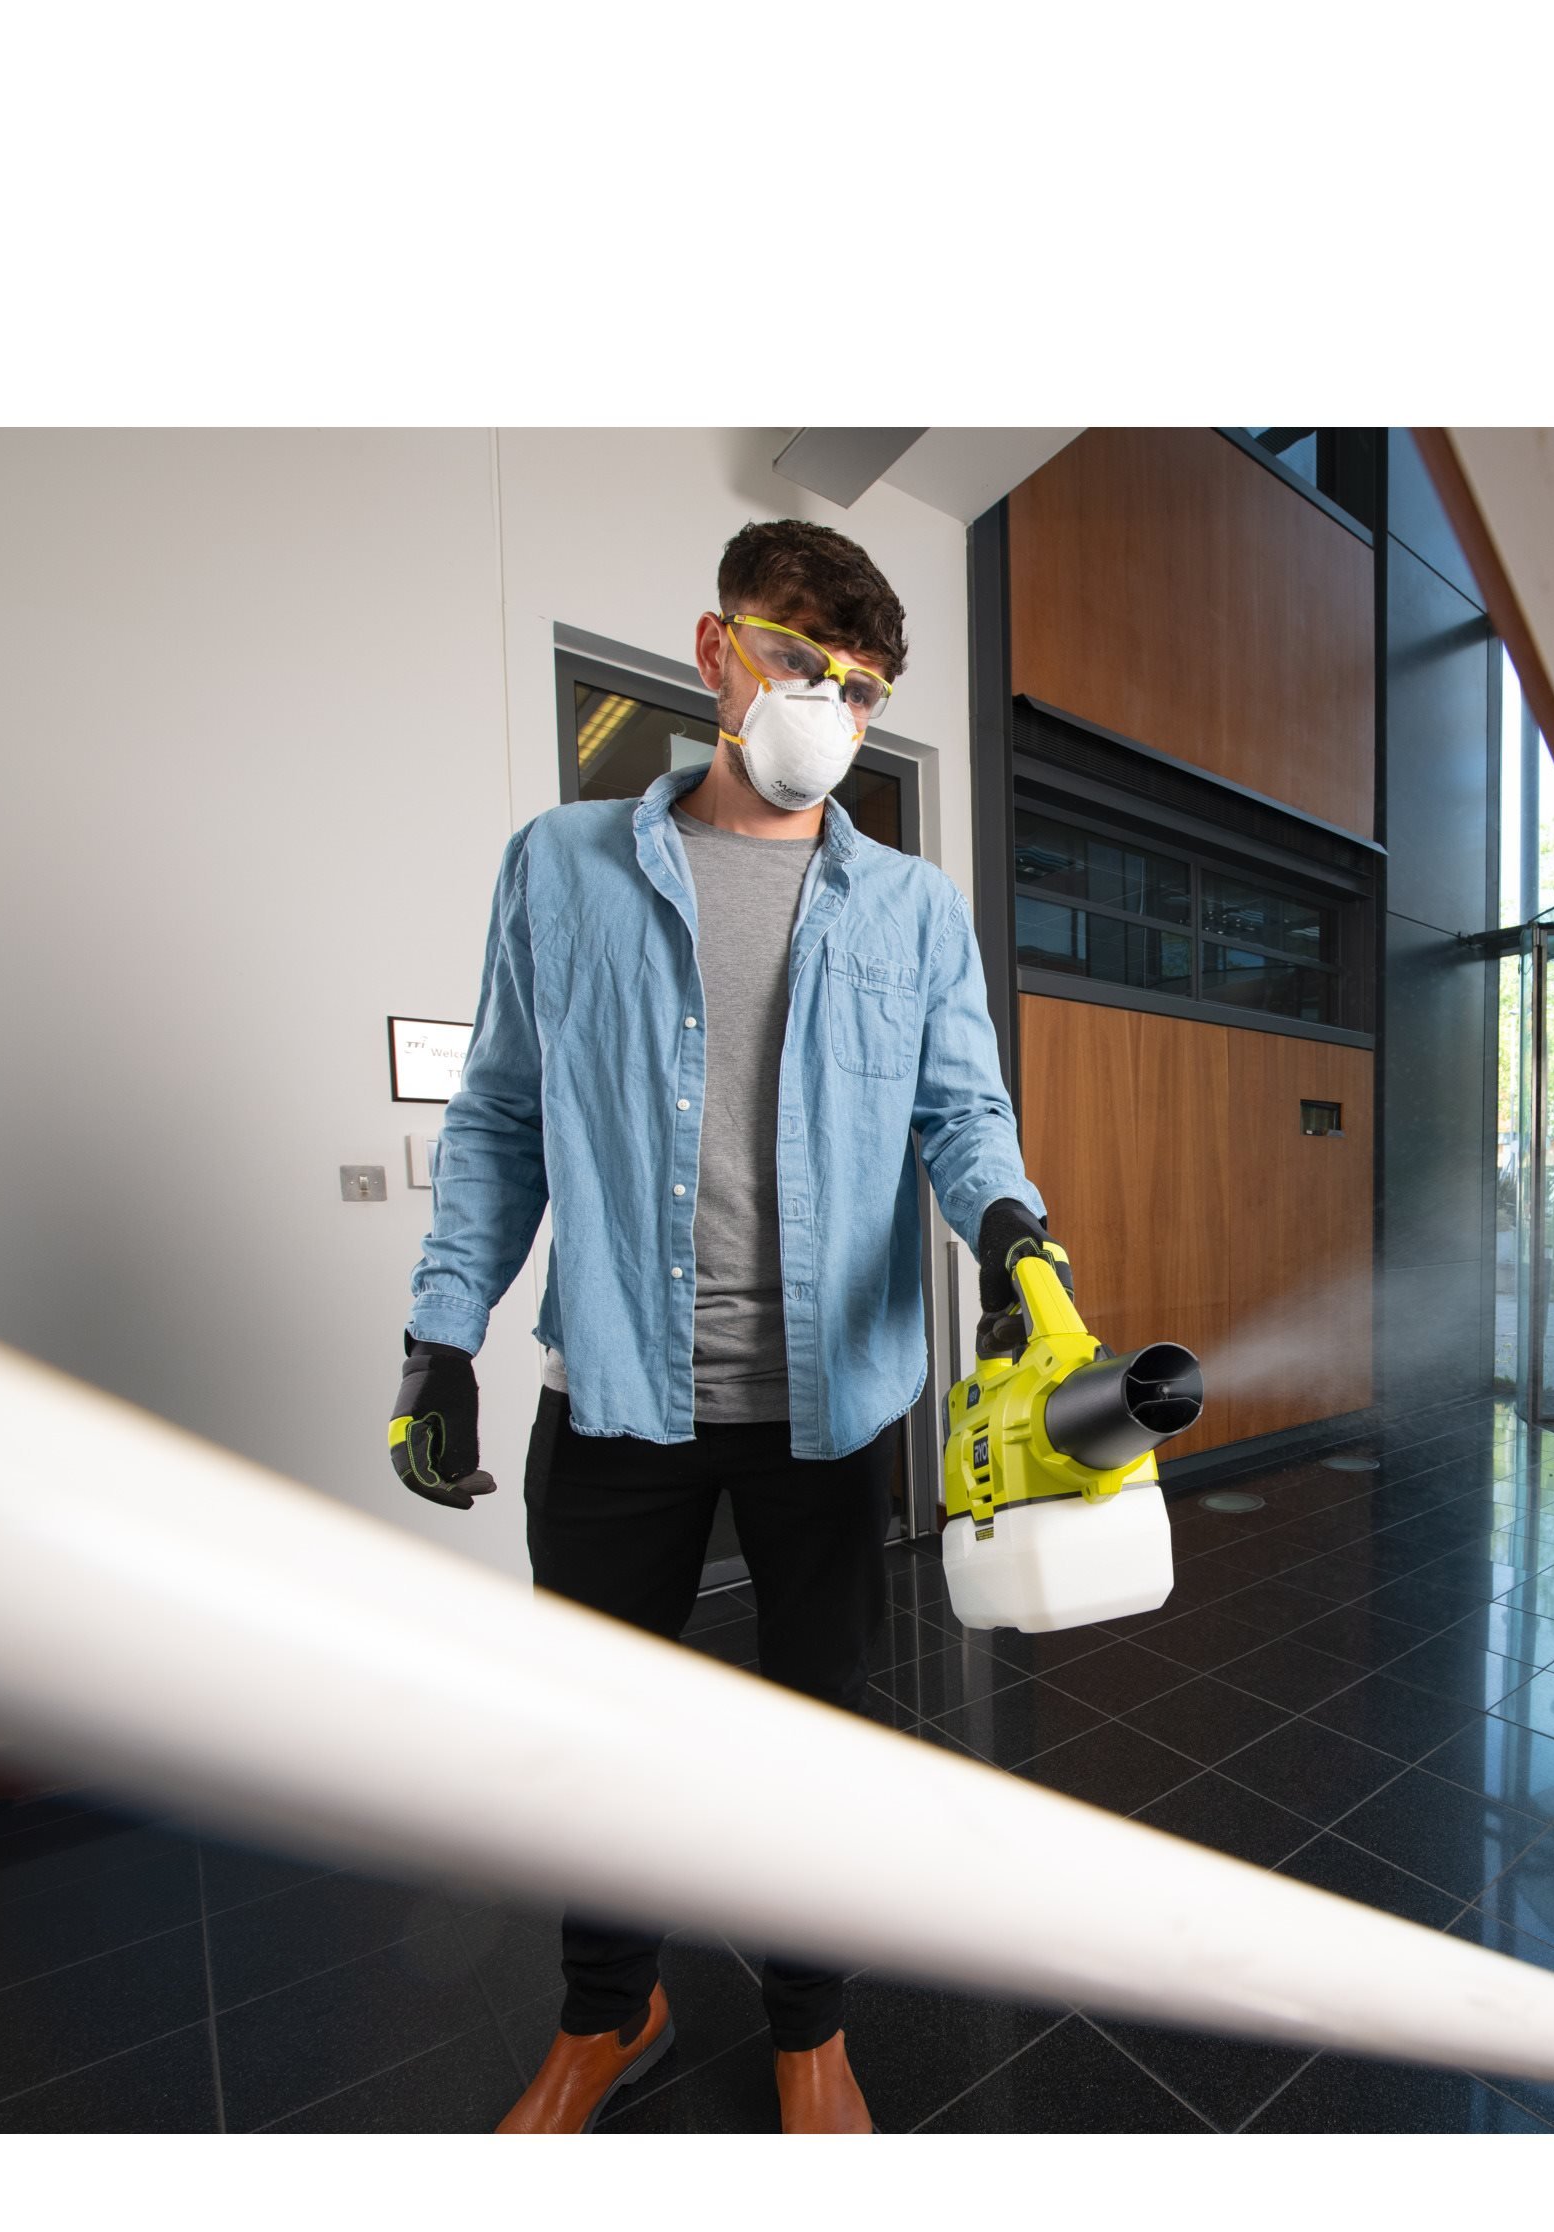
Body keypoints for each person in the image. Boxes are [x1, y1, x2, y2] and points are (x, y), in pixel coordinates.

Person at [388, 518, 1065, 2134]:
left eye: (864, 684)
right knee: (599, 1731)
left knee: (818, 1735)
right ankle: (608, 2012)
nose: (830, 705)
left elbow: (962, 1118)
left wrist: (1011, 1235)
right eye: (799, 661)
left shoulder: (913, 909)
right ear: (716, 650)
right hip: (616, 1392)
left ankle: (809, 2027)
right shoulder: (562, 865)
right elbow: (501, 1116)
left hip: (825, 1407)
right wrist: (441, 1336)